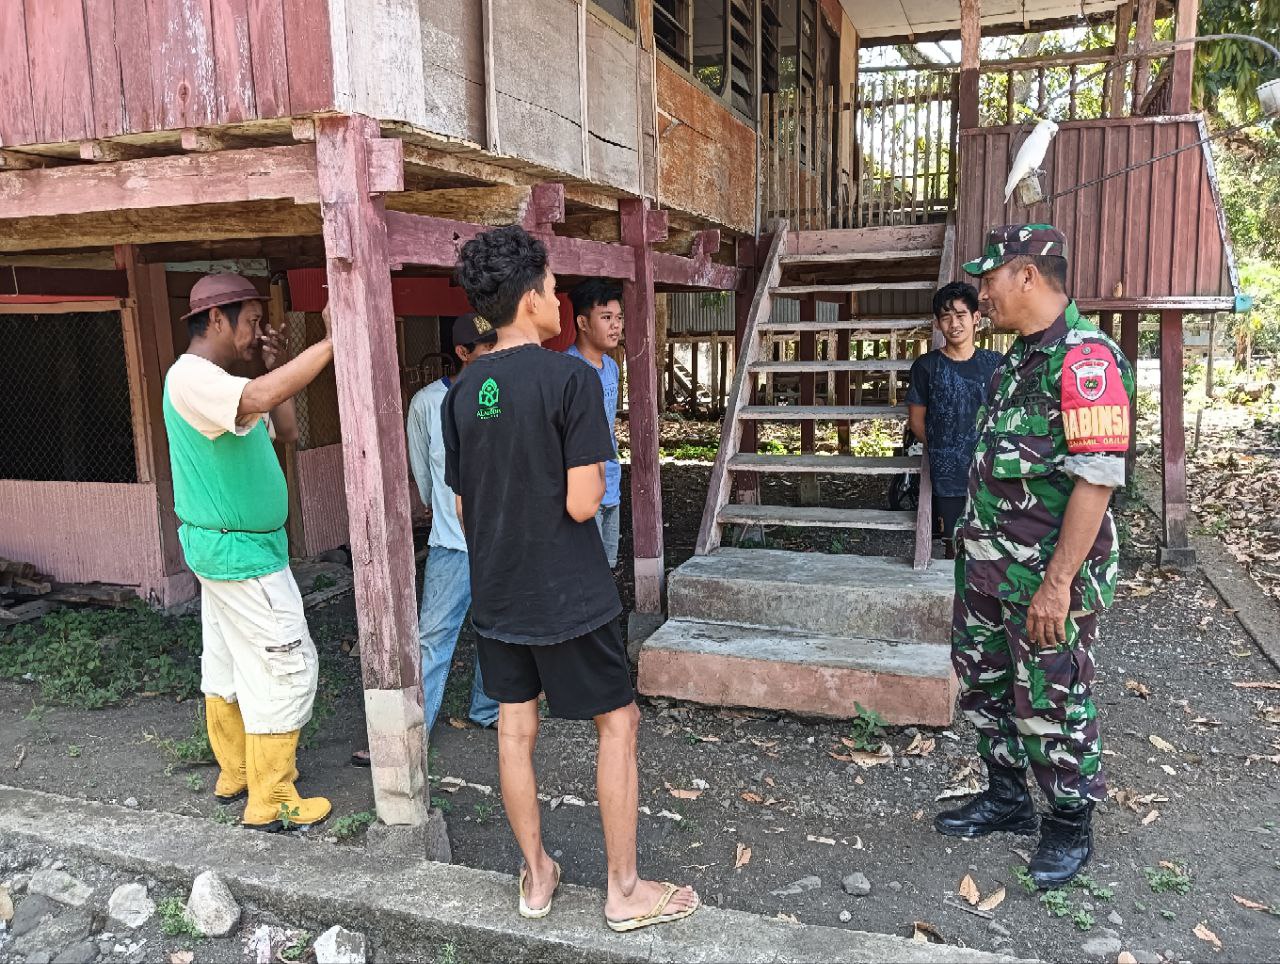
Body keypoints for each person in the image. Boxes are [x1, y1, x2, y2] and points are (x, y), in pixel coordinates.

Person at [443, 225, 699, 932]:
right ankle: (624, 890)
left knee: (514, 729)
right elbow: (586, 502)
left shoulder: (462, 394)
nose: (560, 300)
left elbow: (463, 507)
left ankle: (537, 876)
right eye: (554, 288)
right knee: (617, 721)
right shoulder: (571, 380)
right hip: (569, 593)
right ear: (530, 299)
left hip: (498, 591)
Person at [935, 225, 1135, 888]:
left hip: (1044, 576)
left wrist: (1058, 585)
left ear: (1026, 274)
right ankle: (1007, 797)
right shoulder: (1018, 360)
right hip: (987, 565)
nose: (981, 295)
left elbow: (1096, 481)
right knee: (985, 681)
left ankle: (1070, 822)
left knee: (1051, 694)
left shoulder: (1087, 360)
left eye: (989, 280)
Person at [163, 273, 335, 831]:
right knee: (287, 664)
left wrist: (268, 364)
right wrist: (331, 343)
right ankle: (272, 796)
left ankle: (237, 770)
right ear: (217, 319)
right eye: (253, 322)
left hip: (231, 551)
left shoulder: (223, 383)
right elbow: (261, 399)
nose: (259, 331)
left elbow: (285, 429)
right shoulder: (193, 378)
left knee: (229, 662)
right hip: (243, 557)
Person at [406, 314, 501, 729]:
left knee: (497, 634)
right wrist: (441, 511)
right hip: (451, 544)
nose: (495, 354)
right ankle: (415, 732)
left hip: (499, 542)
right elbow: (423, 473)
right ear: (462, 352)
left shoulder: (504, 394)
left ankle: (488, 709)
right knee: (432, 638)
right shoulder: (427, 402)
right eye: (486, 348)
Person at [906, 282, 1002, 558]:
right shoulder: (926, 366)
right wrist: (944, 449)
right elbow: (917, 422)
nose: (954, 324)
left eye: (961, 315)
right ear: (938, 324)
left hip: (991, 472)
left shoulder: (995, 364)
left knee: (992, 545)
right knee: (954, 546)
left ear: (976, 318)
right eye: (946, 317)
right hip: (948, 477)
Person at [565, 280, 624, 569]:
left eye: (619, 317)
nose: (616, 326)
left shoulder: (611, 367)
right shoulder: (566, 370)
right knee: (586, 570)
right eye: (606, 317)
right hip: (581, 487)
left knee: (607, 566)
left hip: (611, 479)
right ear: (582, 323)